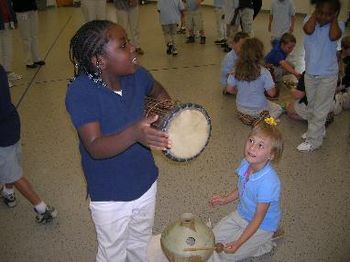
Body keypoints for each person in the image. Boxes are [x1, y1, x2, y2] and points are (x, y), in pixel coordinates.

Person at [65, 20, 171, 261]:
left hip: (145, 182)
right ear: (99, 60)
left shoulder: (137, 75)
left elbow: (158, 91)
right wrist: (134, 133)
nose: (133, 48)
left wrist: (167, 117)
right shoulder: (81, 92)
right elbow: (94, 146)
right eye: (123, 45)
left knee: (140, 243)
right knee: (112, 252)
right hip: (109, 195)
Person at [209, 117, 283, 261]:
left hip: (262, 225)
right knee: (211, 239)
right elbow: (242, 188)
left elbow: (258, 218)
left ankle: (265, 243)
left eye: (261, 145)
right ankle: (252, 242)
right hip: (242, 214)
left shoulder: (269, 183)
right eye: (251, 140)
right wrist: (225, 199)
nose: (252, 147)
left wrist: (239, 243)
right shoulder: (246, 163)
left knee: (226, 254)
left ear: (271, 155)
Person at [0, 64, 57, 223]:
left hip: (2, 134)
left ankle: (42, 209)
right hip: (11, 124)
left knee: (13, 173)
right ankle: (8, 192)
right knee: (10, 165)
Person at [297, 0, 344, 152]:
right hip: (310, 73)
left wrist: (334, 18)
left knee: (320, 109)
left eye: (329, 14)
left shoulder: (338, 25)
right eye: (321, 13)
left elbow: (334, 36)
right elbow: (308, 30)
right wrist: (315, 14)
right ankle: (317, 131)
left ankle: (314, 141)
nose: (324, 17)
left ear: (335, 14)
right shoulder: (309, 21)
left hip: (328, 76)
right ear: (316, 10)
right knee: (311, 105)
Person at [225, 38, 283, 126]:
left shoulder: (235, 70)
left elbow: (229, 90)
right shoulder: (264, 72)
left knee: (246, 110)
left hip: (241, 108)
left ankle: (247, 118)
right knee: (278, 108)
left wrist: (239, 91)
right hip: (259, 108)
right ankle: (263, 121)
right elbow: (272, 94)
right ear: (260, 55)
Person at [11, 0, 45, 68]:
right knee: (26, 37)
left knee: (34, 35)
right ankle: (28, 61)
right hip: (22, 10)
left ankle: (36, 58)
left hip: (32, 8)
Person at [0, 0, 22, 87]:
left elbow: (9, 5)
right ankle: (2, 78)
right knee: (1, 53)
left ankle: (7, 72)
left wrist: (14, 19)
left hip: (7, 23)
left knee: (8, 51)